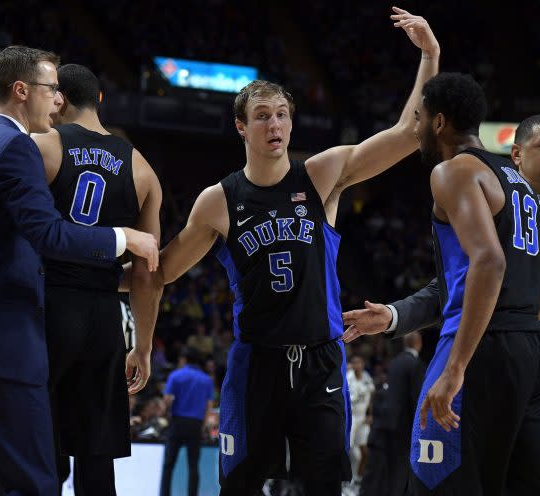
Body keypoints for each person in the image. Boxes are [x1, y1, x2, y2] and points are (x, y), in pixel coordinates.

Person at [128, 8, 441, 495]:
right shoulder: (218, 200)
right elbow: (162, 270)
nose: (274, 124)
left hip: (321, 361)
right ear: (241, 127)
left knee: (322, 486)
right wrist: (123, 306)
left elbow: (408, 133)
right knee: (240, 486)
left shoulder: (322, 174)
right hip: (257, 364)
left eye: (282, 115)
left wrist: (429, 55)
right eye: (262, 116)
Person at [0, 46, 158, 496]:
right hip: (3, 349)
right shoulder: (17, 148)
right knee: (35, 483)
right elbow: (47, 233)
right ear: (22, 91)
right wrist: (124, 238)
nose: (56, 101)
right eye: (50, 90)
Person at [342, 113, 540, 495]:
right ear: (517, 154)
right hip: (494, 371)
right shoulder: (490, 194)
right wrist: (395, 315)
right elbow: (455, 287)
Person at [31, 63, 163, 495]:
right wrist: (141, 347)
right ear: (100, 100)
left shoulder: (43, 145)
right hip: (106, 316)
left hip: (47, 307)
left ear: (60, 99)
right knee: (96, 457)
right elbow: (147, 273)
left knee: (39, 447)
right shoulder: (143, 169)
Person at [360, 332, 425, 496]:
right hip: (402, 426)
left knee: (379, 469)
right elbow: (416, 399)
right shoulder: (415, 364)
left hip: (384, 424)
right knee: (399, 470)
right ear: (418, 343)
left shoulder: (394, 362)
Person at [160, 347, 215, 496]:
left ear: (184, 359)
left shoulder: (176, 375)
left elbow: (167, 399)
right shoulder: (206, 380)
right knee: (193, 465)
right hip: (195, 424)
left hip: (177, 422)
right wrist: (203, 425)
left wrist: (166, 414)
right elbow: (209, 406)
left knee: (168, 464)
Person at [346, 355, 375, 488]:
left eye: (360, 362)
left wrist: (370, 414)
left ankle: (358, 480)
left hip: (363, 418)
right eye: (355, 362)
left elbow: (371, 395)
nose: (358, 365)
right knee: (350, 451)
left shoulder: (367, 377)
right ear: (351, 364)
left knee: (365, 452)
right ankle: (345, 482)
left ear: (363, 364)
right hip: (351, 417)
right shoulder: (348, 377)